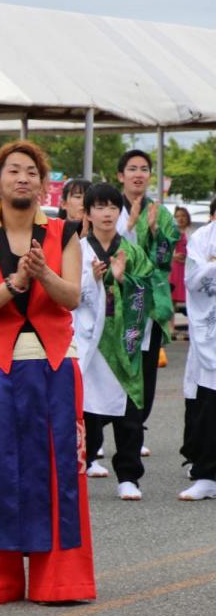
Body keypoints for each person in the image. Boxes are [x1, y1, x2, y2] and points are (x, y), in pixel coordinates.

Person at [0, 139, 95, 607]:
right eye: (13, 171)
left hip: (56, 365)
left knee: (61, 469)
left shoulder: (65, 233)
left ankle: (59, 581)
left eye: (32, 172)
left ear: (43, 185)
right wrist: (16, 281)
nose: (23, 178)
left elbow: (71, 296)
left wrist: (42, 275)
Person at [74, 182, 154, 501]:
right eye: (99, 207)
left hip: (123, 341)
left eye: (112, 207)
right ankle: (83, 463)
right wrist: (92, 279)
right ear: (88, 213)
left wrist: (123, 279)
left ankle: (129, 476)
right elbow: (66, 293)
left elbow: (147, 290)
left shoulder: (131, 251)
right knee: (86, 407)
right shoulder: (77, 251)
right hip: (89, 341)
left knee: (129, 411)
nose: (106, 213)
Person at [116, 149, 179, 452]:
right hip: (116, 303)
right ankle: (104, 430)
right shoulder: (110, 208)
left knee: (145, 369)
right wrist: (128, 226)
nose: (138, 174)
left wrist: (155, 232)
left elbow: (164, 260)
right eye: (132, 168)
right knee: (113, 366)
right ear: (121, 175)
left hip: (147, 304)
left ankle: (135, 427)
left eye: (144, 169)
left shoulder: (161, 213)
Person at [178, 198, 216, 501]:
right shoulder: (203, 237)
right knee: (209, 407)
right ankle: (207, 475)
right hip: (211, 334)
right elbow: (193, 278)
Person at [171, 206, 191, 340]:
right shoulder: (172, 232)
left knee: (190, 298)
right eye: (177, 216)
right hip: (175, 267)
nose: (180, 218)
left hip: (188, 268)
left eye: (183, 216)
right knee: (171, 300)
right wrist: (173, 256)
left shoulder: (192, 232)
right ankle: (170, 328)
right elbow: (166, 248)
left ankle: (191, 328)